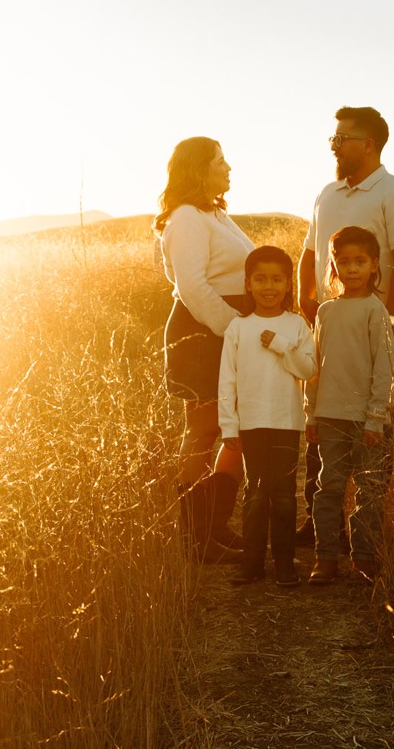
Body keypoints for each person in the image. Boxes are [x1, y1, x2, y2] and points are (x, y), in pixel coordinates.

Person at [297, 106, 394, 547]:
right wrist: (305, 301)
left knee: (373, 430)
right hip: (329, 331)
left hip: (377, 333)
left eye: (341, 138)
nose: (333, 145)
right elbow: (309, 252)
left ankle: (367, 537)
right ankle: (319, 532)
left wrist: (387, 322)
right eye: (333, 138)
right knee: (324, 423)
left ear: (367, 144)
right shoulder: (326, 195)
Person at [156, 136, 254, 563]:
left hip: (224, 330)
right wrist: (233, 328)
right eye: (220, 161)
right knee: (203, 431)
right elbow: (190, 286)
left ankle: (216, 526)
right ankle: (196, 540)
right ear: (199, 170)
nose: (228, 167)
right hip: (202, 335)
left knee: (234, 429)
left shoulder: (213, 213)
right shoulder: (187, 218)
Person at [217, 246, 317, 587]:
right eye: (261, 279)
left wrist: (281, 344)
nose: (268, 287)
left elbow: (308, 368)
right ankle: (253, 562)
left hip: (286, 422)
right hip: (251, 423)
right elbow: (226, 381)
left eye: (276, 279)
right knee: (256, 492)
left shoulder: (296, 326)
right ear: (248, 283)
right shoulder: (238, 327)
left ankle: (285, 563)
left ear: (289, 284)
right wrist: (229, 425)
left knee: (285, 494)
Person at [305, 225, 394, 584]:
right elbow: (313, 367)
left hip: (366, 420)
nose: (353, 269)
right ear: (334, 266)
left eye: (361, 262)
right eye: (345, 262)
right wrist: (310, 412)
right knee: (329, 487)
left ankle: (364, 559)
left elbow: (385, 369)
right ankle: (325, 557)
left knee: (369, 489)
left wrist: (376, 417)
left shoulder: (376, 311)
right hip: (330, 417)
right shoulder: (326, 312)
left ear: (375, 265)